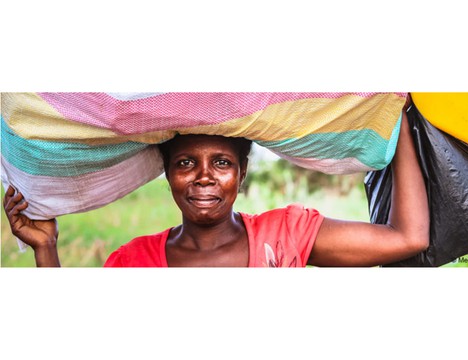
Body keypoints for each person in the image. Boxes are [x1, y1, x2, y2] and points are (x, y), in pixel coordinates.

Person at [3, 99, 430, 267]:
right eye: (186, 162)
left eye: (222, 162)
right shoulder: (134, 262)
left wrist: (400, 116)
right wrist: (47, 248)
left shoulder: (287, 235)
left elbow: (408, 238)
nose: (204, 176)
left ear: (242, 174)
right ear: (167, 173)